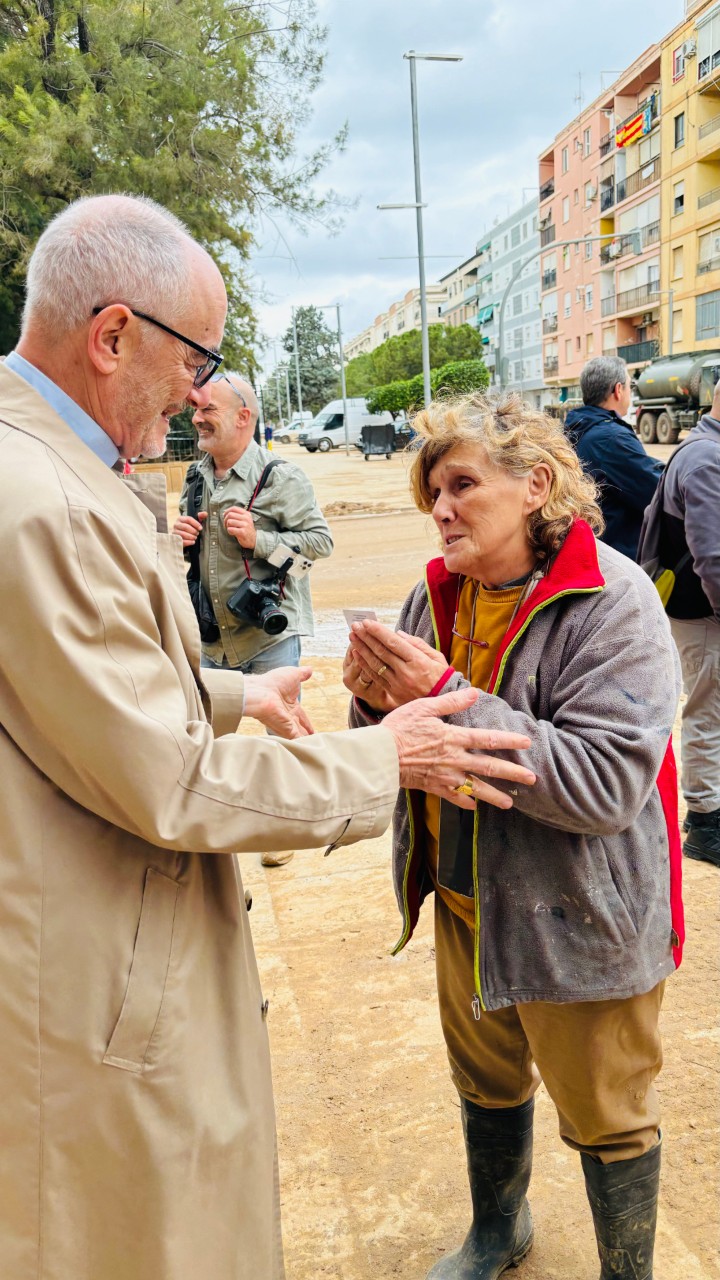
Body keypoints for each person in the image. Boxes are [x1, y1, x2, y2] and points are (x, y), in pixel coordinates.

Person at [0, 196, 538, 1280]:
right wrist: (395, 756)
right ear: (111, 337)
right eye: (195, 356)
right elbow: (166, 775)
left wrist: (239, 697)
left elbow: (91, 686)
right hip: (92, 972)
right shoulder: (39, 497)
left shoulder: (54, 467)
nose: (201, 391)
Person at [345, 392, 683, 1280]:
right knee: (486, 1082)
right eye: (432, 491)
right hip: (464, 901)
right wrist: (372, 698)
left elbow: (607, 785)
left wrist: (446, 691)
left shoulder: (614, 600)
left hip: (578, 915)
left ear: (536, 485)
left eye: (461, 484)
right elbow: (406, 730)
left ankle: (627, 1271)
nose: (440, 508)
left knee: (609, 1113)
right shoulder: (434, 592)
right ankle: (500, 1231)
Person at [173, 372, 332, 867]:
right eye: (195, 410)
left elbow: (317, 549)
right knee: (208, 737)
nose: (196, 418)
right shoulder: (197, 477)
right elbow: (192, 552)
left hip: (267, 637)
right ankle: (211, 832)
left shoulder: (281, 478)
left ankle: (279, 830)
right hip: (212, 634)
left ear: (243, 417)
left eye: (207, 410)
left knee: (279, 735)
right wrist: (179, 535)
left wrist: (258, 541)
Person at [638, 375, 720, 868]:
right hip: (703, 610)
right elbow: (713, 557)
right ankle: (707, 822)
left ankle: (705, 807)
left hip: (699, 606)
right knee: (708, 712)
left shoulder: (704, 450)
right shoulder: (708, 459)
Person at [565, 354, 662, 559]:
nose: (629, 392)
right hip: (617, 554)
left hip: (588, 546)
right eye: (629, 386)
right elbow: (655, 489)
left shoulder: (576, 428)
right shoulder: (611, 438)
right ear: (618, 390)